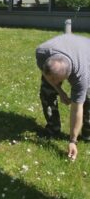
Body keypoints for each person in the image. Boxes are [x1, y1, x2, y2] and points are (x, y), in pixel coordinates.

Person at [36, 33, 90, 161]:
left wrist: (72, 140)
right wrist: (60, 91)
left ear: (68, 77)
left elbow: (77, 109)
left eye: (58, 81)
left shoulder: (80, 76)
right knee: (46, 91)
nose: (55, 82)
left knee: (88, 99)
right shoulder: (42, 53)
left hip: (86, 53)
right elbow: (48, 76)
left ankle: (87, 134)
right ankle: (53, 128)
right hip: (64, 51)